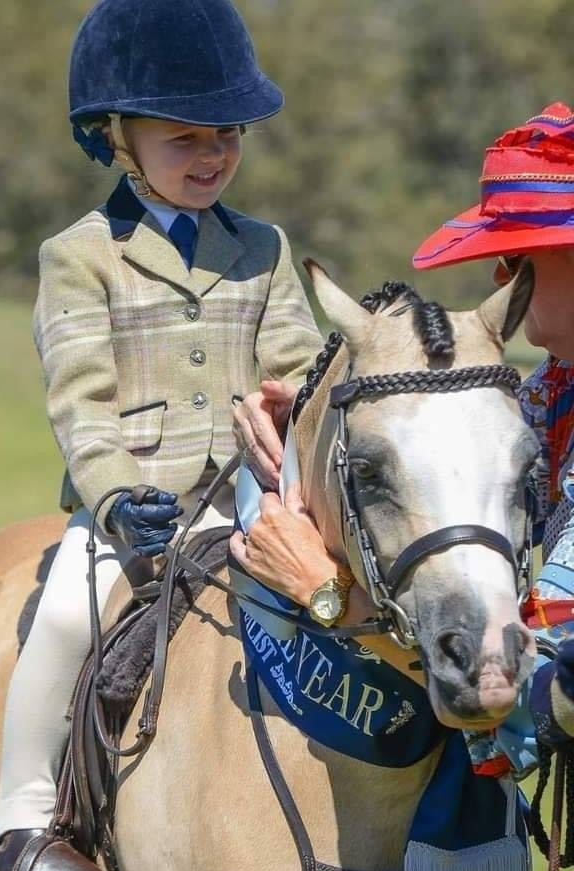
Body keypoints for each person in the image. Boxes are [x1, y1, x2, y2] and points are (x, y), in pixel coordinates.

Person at [0, 0, 323, 871]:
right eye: (185, 138)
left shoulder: (264, 247)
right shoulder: (79, 256)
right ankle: (17, 828)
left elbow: (297, 365)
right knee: (66, 610)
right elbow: (80, 400)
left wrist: (294, 414)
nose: (212, 155)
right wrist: (113, 500)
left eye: (227, 135)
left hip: (248, 505)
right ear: (117, 138)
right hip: (136, 509)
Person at [230, 101, 574, 754]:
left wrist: (330, 597)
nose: (502, 277)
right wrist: (308, 424)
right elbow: (445, 455)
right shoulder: (559, 389)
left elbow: (537, 700)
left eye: (519, 254)